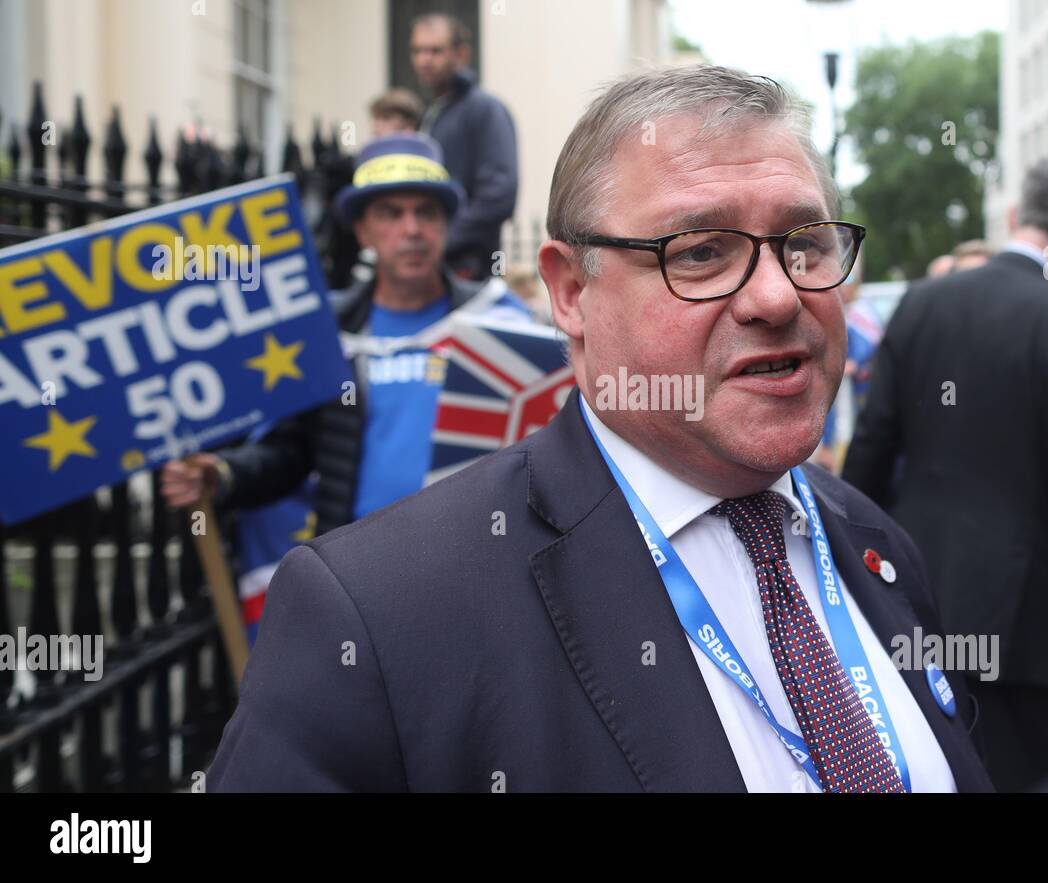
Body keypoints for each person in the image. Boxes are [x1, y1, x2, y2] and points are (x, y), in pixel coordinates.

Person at [205, 65, 993, 793]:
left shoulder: (877, 543)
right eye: (703, 252)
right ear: (571, 292)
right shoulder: (374, 615)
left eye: (804, 245)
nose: (776, 297)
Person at [842, 158, 1048, 793]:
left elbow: (869, 447)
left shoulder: (920, 303)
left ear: (1012, 216)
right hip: (1029, 626)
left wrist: (847, 575)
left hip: (914, 600)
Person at [161, 133, 528, 536]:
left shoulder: (496, 321)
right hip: (358, 566)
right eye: (390, 213)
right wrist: (227, 474)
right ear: (362, 231)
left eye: (427, 212)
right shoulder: (327, 329)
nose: (412, 229)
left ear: (445, 224)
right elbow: (291, 451)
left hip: (475, 557)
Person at [411, 13, 518, 280]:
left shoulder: (484, 109)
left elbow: (498, 197)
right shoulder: (432, 113)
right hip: (435, 273)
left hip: (470, 273)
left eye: (435, 51)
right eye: (418, 50)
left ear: (461, 54)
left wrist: (440, 242)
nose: (425, 60)